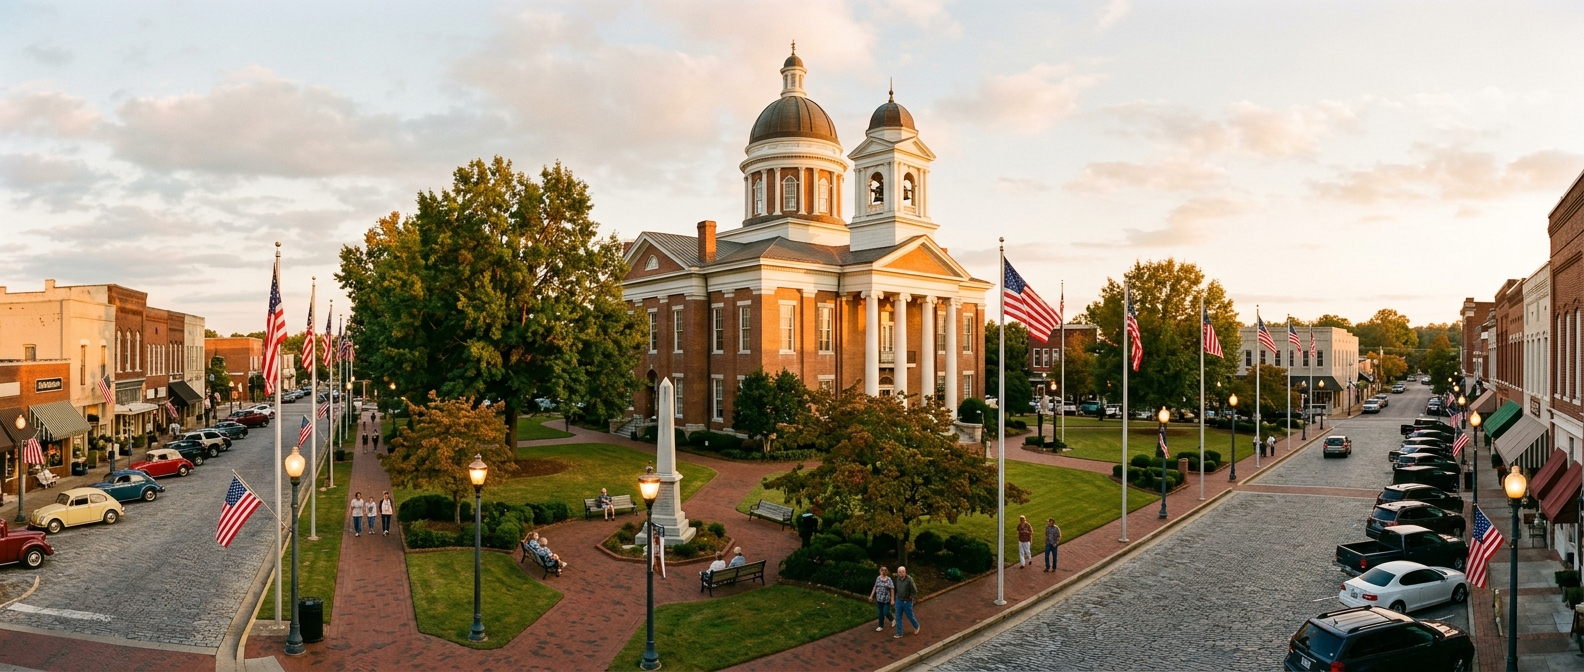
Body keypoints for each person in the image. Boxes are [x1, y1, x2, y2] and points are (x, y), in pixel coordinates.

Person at [892, 566, 919, 638]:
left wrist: (911, 597)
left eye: (903, 572)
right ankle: (899, 633)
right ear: (898, 573)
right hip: (898, 600)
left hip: (907, 602)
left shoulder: (909, 580)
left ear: (905, 572)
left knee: (910, 616)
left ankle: (916, 626)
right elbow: (895, 589)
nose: (901, 573)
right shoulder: (897, 579)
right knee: (898, 617)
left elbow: (914, 591)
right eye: (900, 572)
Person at [869, 566, 894, 632]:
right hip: (879, 599)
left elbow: (892, 589)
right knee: (880, 613)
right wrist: (871, 596)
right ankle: (880, 626)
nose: (883, 571)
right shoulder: (878, 578)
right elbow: (875, 586)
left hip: (886, 600)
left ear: (887, 572)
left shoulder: (889, 579)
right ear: (880, 571)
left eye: (885, 570)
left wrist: (892, 599)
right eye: (882, 570)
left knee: (886, 611)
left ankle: (892, 619)